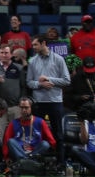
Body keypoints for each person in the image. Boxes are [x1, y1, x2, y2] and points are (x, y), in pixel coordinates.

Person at [26, 34, 71, 164]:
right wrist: (40, 84)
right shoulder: (32, 61)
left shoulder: (58, 59)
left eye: (35, 44)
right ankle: (36, 162)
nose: (33, 47)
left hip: (55, 102)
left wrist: (49, 79)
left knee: (58, 134)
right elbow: (29, 82)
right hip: (38, 102)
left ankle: (61, 163)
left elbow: (67, 80)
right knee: (36, 133)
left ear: (43, 43)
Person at [2, 97, 57, 165]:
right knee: (11, 141)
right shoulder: (13, 123)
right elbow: (6, 141)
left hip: (35, 151)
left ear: (32, 108)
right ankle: (28, 162)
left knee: (45, 144)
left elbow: (51, 140)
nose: (24, 110)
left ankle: (24, 161)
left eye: (26, 107)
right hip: (19, 151)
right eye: (21, 108)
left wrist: (55, 153)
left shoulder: (40, 122)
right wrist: (6, 157)